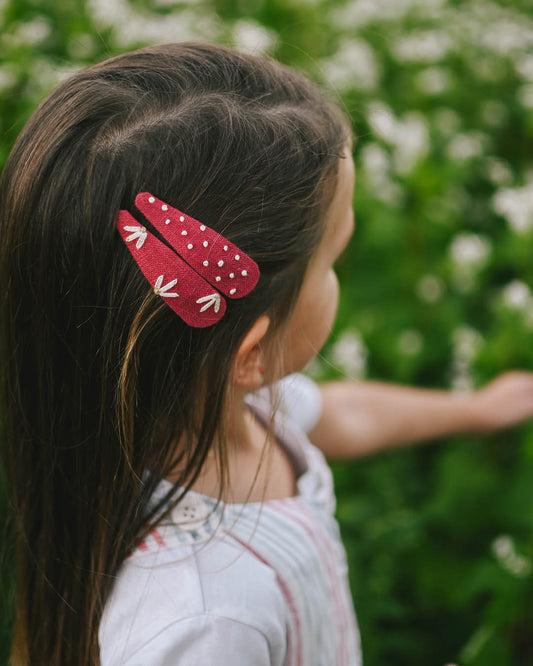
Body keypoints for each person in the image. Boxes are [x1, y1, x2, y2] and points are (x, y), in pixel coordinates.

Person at [1, 41, 533, 666]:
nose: (340, 281)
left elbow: (339, 414)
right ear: (250, 351)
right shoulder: (203, 620)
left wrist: (473, 410)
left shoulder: (230, 403)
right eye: (333, 262)